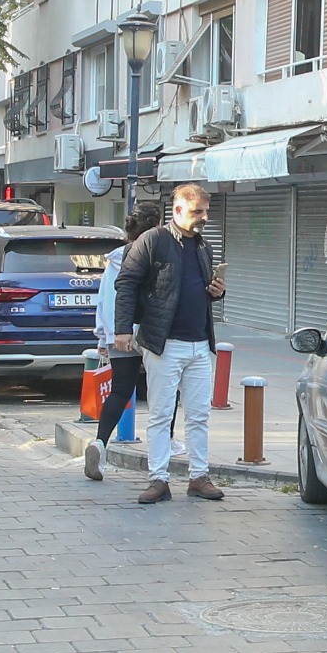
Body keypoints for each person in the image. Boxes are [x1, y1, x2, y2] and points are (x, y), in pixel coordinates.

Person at [111, 181, 228, 505]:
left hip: (200, 343)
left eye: (205, 211)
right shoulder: (153, 241)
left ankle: (198, 477)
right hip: (164, 343)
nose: (204, 217)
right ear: (177, 210)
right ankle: (158, 479)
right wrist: (123, 329)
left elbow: (200, 289)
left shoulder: (204, 247)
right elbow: (127, 284)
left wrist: (217, 291)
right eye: (197, 211)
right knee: (162, 414)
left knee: (199, 414)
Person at [84, 200, 165, 482]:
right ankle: (165, 447)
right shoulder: (154, 256)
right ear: (157, 226)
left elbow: (105, 298)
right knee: (163, 393)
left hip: (118, 334)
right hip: (151, 333)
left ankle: (100, 443)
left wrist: (104, 335)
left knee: (120, 391)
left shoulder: (114, 260)